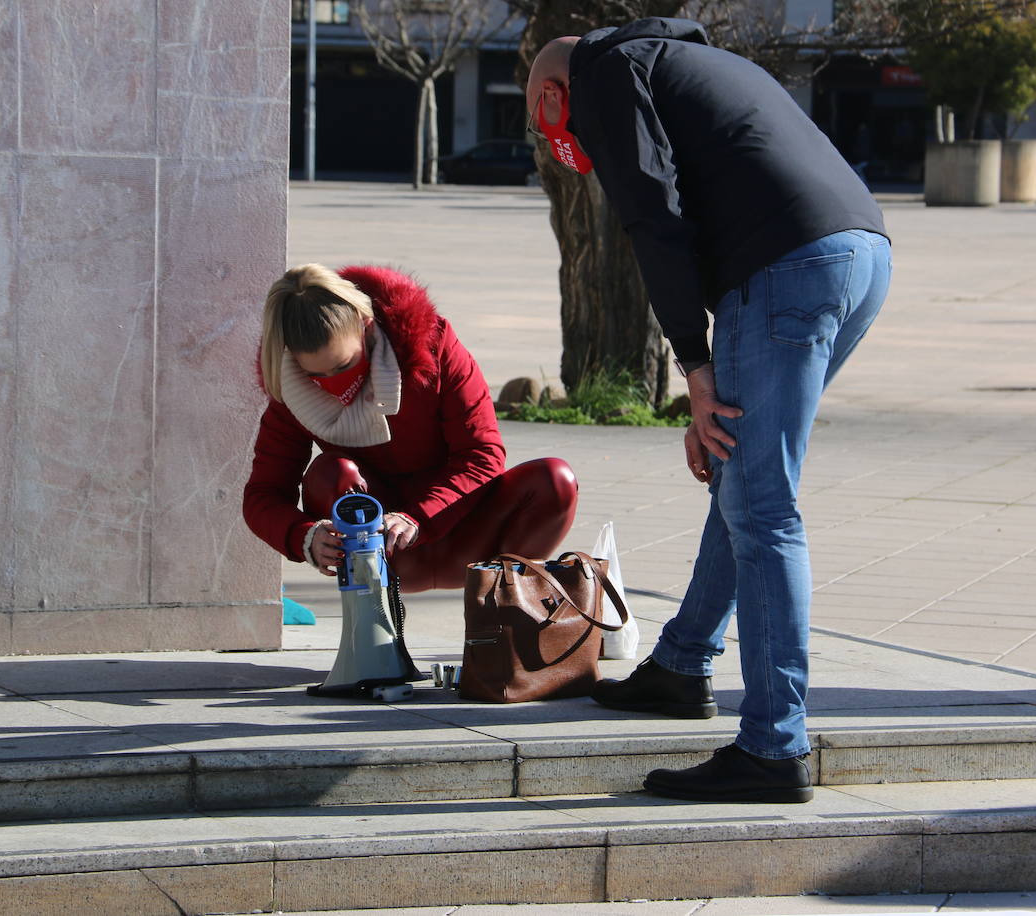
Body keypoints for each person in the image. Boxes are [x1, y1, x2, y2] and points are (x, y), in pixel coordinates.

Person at [526, 18, 892, 803]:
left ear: (556, 94)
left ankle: (772, 748)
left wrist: (692, 363)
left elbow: (653, 216)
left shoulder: (605, 73)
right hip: (861, 253)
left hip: (787, 265)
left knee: (762, 507)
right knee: (741, 470)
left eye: (576, 136)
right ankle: (683, 664)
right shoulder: (689, 57)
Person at [243, 263, 578, 593]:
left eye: (344, 365)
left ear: (366, 325)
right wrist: (306, 535)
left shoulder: (434, 345)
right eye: (316, 376)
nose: (333, 383)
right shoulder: (290, 387)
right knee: (331, 472)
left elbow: (482, 454)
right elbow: (263, 494)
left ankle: (506, 607)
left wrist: (417, 518)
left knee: (554, 479)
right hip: (383, 549)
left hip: (464, 531)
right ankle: (369, 621)